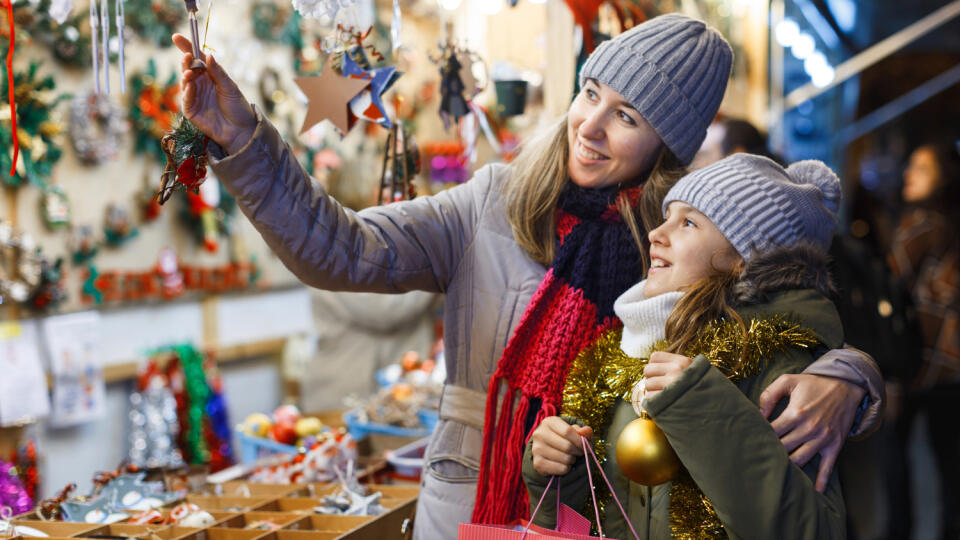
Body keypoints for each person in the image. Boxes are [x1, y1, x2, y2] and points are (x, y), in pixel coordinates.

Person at [171, 14, 883, 538]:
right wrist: (245, 143)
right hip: (470, 499)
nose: (591, 126)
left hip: (600, 511)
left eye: (626, 116)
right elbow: (343, 249)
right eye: (591, 93)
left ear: (667, 144)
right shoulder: (493, 200)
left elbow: (781, 311)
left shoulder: (676, 239)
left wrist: (851, 374)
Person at [524, 155, 848, 538]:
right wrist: (557, 469)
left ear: (742, 259)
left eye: (688, 222)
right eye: (666, 218)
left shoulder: (778, 363)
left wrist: (706, 408)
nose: (655, 235)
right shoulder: (624, 351)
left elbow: (809, 531)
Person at [887, 141, 960, 540]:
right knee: (949, 462)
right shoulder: (950, 223)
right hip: (949, 364)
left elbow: (892, 280)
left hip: (922, 361)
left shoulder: (921, 223)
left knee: (898, 461)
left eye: (921, 168)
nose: (907, 173)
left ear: (944, 176)